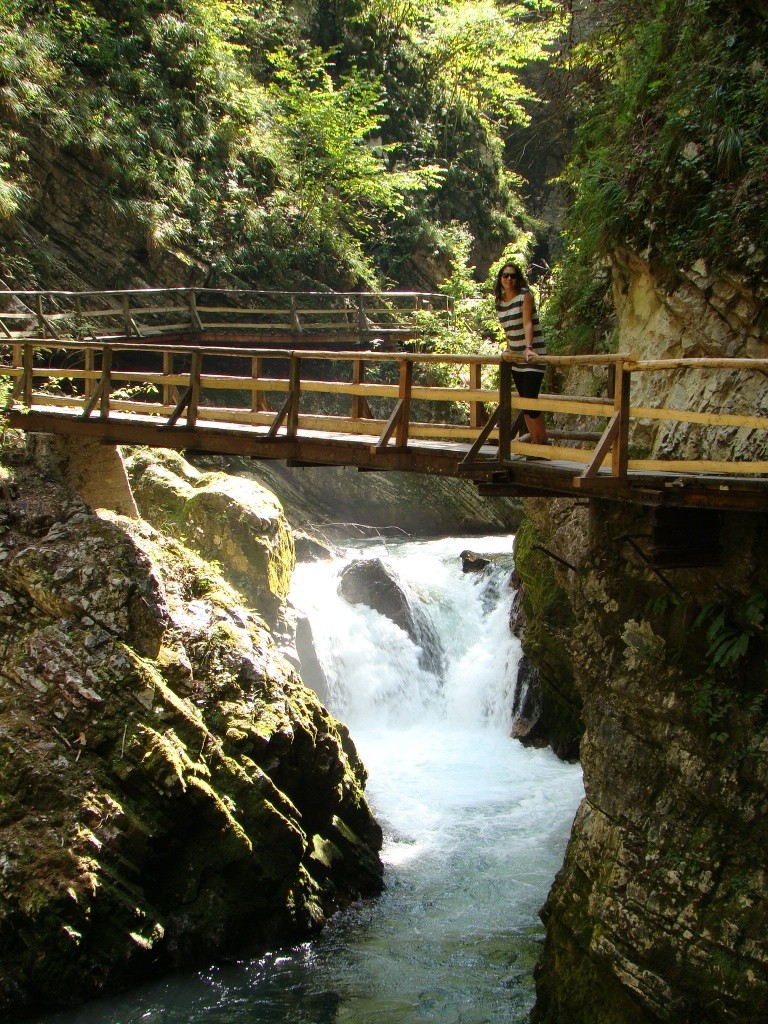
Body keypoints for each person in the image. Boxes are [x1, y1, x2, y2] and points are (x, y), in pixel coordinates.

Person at [494, 261, 549, 445]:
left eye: (513, 275)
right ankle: (536, 442)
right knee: (525, 404)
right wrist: (509, 349)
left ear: (518, 279)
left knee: (530, 401)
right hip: (516, 358)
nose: (509, 279)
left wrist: (529, 347)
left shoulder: (525, 296)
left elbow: (527, 323)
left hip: (532, 355)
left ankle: (543, 443)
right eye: (505, 275)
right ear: (500, 279)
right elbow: (508, 329)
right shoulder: (499, 302)